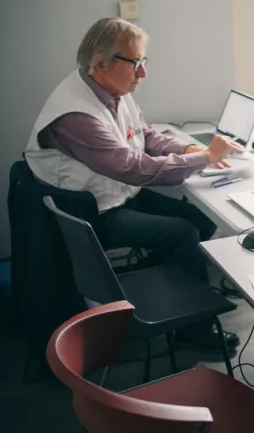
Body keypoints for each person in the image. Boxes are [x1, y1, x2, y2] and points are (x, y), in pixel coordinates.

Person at [25, 18, 242, 352]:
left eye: (144, 62)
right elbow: (132, 168)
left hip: (115, 197)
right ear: (100, 64)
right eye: (136, 63)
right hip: (91, 215)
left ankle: (175, 298)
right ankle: (192, 333)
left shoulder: (113, 90)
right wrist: (205, 158)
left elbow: (146, 136)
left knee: (200, 220)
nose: (143, 73)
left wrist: (190, 149)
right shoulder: (76, 116)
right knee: (182, 232)